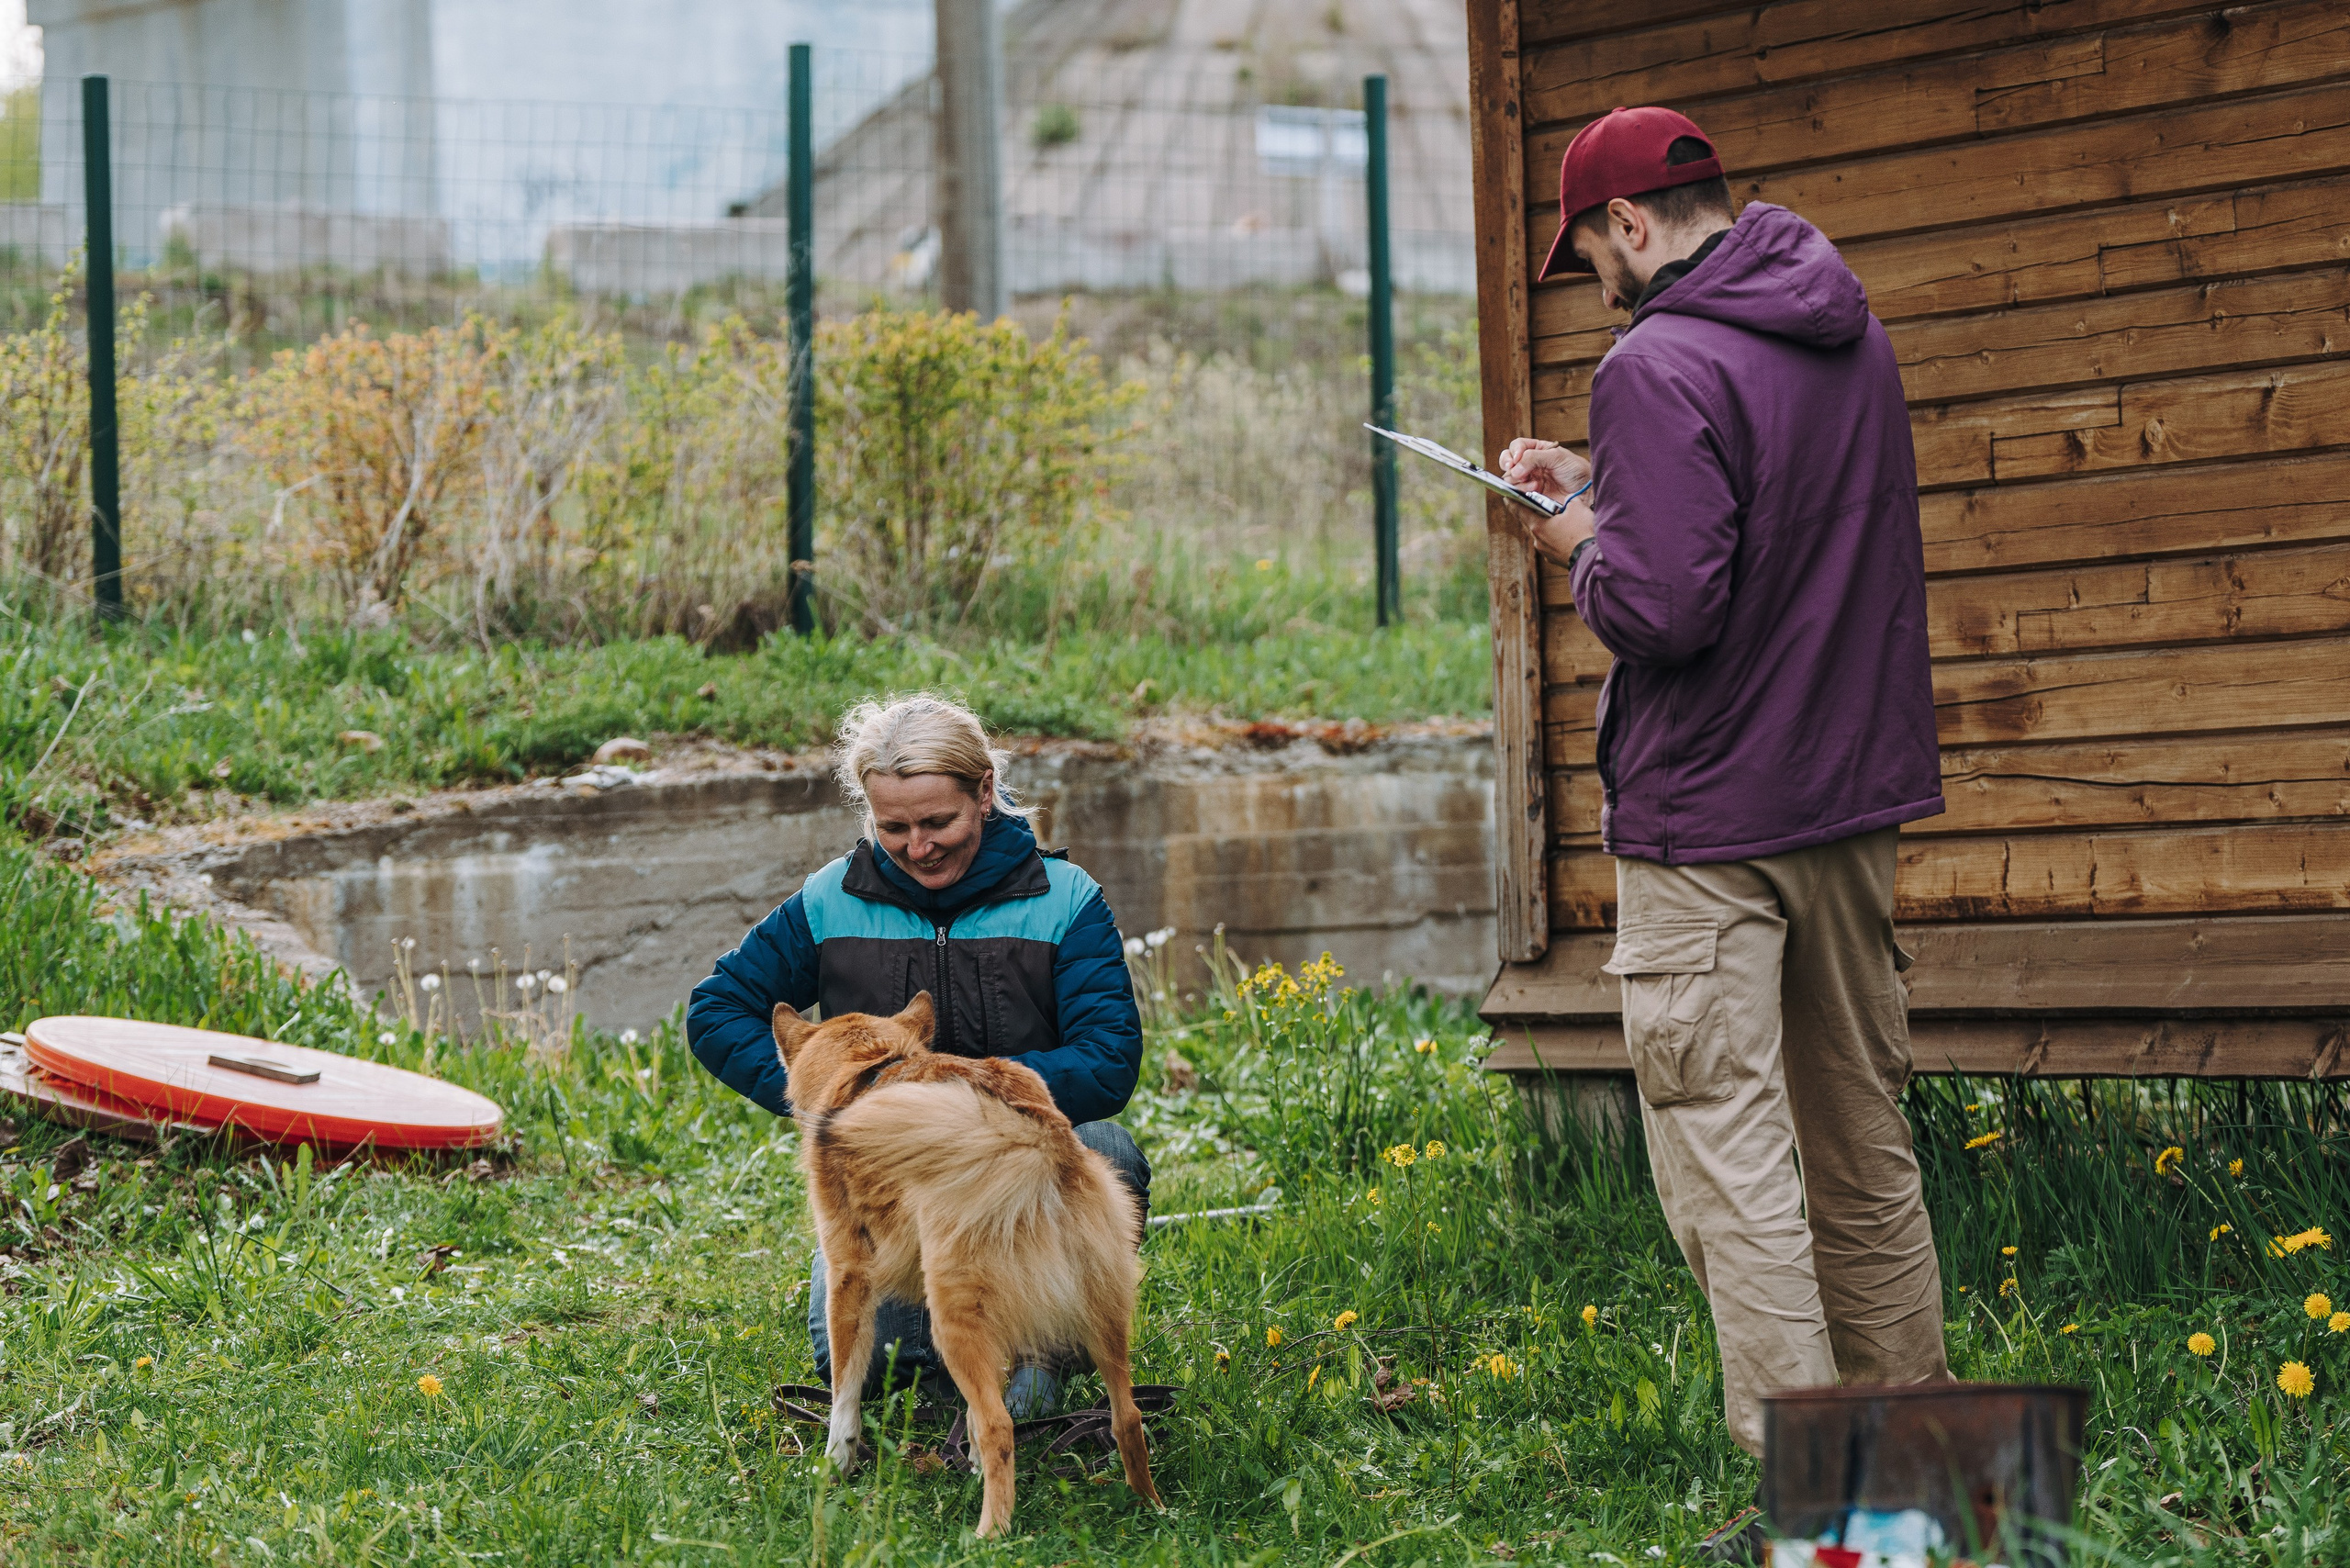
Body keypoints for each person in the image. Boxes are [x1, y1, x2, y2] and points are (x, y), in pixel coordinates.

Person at [1499, 106, 1949, 1557]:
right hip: (1849, 794)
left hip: (1710, 818)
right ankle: (1920, 1497)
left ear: (1629, 223)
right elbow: (1773, 525)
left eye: (1587, 253)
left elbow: (1666, 608)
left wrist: (1571, 538)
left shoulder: (1655, 362)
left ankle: (1824, 1523)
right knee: (1862, 1140)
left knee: (1731, 1166)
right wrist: (1609, 484)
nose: (1593, 282)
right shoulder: (1849, 332)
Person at [687, 693, 1147, 1418]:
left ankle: (1042, 1352)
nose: (918, 847)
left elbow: (1109, 1057)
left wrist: (957, 1096)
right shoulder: (830, 899)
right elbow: (717, 1009)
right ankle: (955, 1377)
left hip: (1014, 1159)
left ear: (985, 792)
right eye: (892, 827)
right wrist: (827, 1102)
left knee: (1107, 1150)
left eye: (938, 823)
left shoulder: (1066, 899)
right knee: (871, 1367)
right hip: (896, 1180)